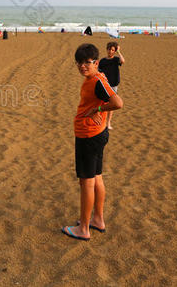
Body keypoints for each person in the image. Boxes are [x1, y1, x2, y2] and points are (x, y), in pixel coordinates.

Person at [62, 43, 123, 241]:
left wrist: (97, 111)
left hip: (90, 137)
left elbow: (117, 103)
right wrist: (99, 109)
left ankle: (84, 228)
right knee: (97, 178)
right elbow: (104, 100)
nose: (82, 66)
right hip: (95, 134)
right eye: (79, 63)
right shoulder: (95, 78)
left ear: (96, 62)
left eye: (87, 62)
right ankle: (97, 219)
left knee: (86, 183)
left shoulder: (97, 80)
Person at [98, 42, 125, 129]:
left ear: (114, 51)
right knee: (103, 103)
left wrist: (119, 51)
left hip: (113, 85)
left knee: (112, 104)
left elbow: (123, 61)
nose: (110, 51)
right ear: (107, 49)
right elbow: (99, 72)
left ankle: (108, 123)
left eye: (113, 50)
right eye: (109, 49)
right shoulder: (102, 61)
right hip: (105, 85)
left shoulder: (116, 59)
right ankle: (101, 121)